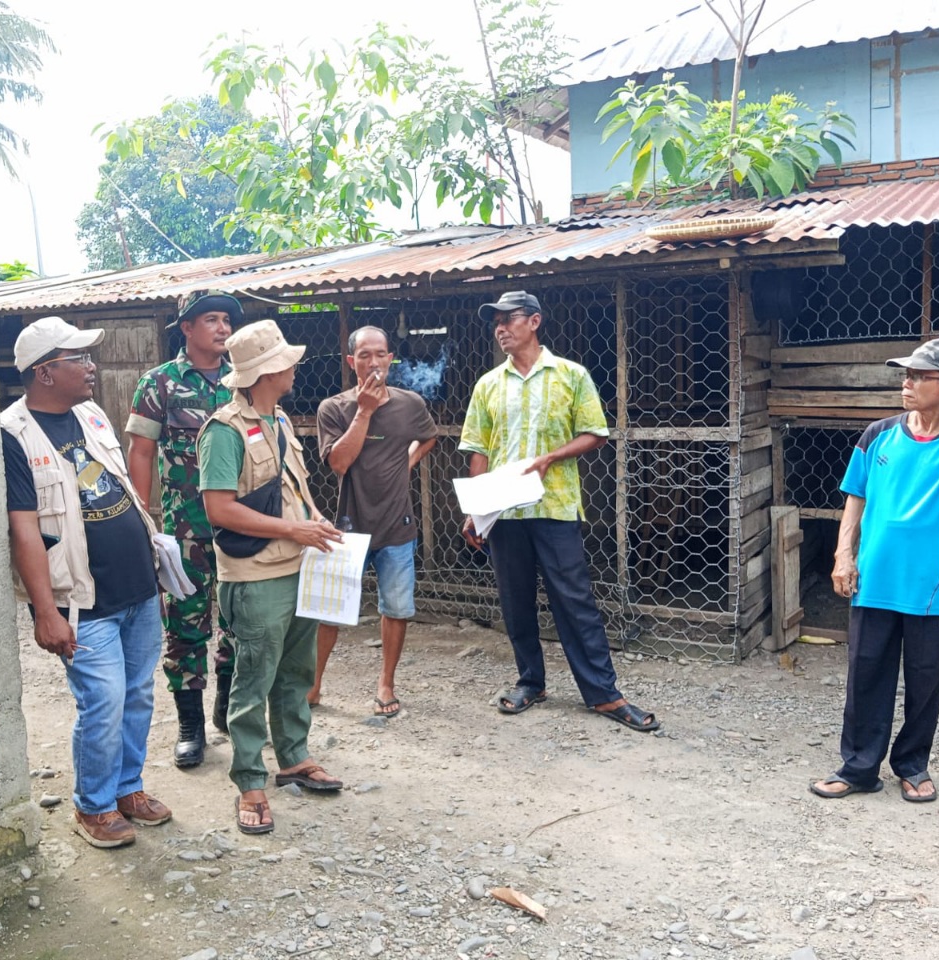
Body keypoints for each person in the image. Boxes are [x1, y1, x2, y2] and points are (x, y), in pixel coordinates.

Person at [1, 315, 170, 849]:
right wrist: (44, 610)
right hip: (82, 600)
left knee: (139, 694)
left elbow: (105, 485)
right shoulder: (13, 434)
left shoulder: (90, 413)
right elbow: (24, 530)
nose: (92, 365)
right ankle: (92, 805)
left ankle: (127, 788)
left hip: (138, 587)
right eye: (80, 358)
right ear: (46, 371)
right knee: (103, 702)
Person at [459, 290, 660, 732]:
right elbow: (477, 449)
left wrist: (551, 457)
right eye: (495, 321)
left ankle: (604, 694)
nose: (500, 328)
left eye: (508, 319)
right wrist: (474, 509)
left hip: (555, 507)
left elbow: (595, 433)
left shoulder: (571, 375)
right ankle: (531, 682)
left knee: (574, 601)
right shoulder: (488, 385)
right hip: (503, 513)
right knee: (515, 602)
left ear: (534, 321)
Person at [811, 338, 939, 803]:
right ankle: (858, 768)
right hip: (876, 578)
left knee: (926, 678)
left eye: (918, 375)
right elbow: (857, 494)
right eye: (905, 374)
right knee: (866, 674)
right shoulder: (879, 434)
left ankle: (912, 765)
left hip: (935, 585)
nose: (906, 383)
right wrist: (843, 554)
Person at [196, 319, 346, 834]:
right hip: (254, 575)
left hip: (298, 566)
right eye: (287, 360)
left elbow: (293, 490)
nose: (295, 366)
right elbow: (219, 509)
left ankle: (295, 757)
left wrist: (314, 520)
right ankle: (250, 780)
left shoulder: (279, 420)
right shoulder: (224, 431)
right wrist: (292, 529)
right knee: (252, 680)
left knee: (295, 673)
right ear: (267, 372)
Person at [126, 290, 241, 768]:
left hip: (240, 524)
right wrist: (142, 520)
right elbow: (141, 453)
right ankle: (190, 722)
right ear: (187, 328)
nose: (222, 328)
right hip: (186, 528)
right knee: (186, 626)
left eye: (226, 320)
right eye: (210, 319)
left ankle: (227, 705)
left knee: (241, 619)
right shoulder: (160, 384)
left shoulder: (245, 379)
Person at [312, 325, 438, 716]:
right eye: (363, 355)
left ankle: (386, 683)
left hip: (397, 527)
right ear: (351, 362)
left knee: (396, 608)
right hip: (345, 527)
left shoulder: (410, 403)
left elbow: (429, 436)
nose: (372, 362)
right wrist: (365, 410)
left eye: (379, 354)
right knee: (328, 610)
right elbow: (339, 462)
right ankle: (313, 685)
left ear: (389, 358)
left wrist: (408, 461)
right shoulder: (333, 408)